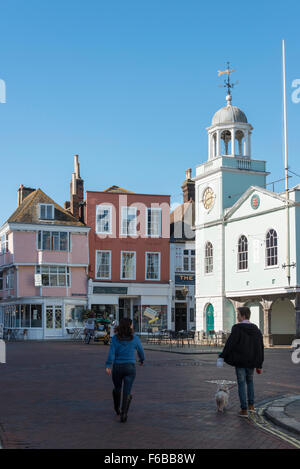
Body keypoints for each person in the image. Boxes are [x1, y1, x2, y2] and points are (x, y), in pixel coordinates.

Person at [219, 306, 264, 418]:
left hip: (240, 361)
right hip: (251, 362)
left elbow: (230, 344)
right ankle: (251, 406)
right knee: (250, 382)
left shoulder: (237, 328)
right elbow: (260, 347)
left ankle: (244, 410)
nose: (237, 316)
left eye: (238, 314)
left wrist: (222, 356)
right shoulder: (256, 330)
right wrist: (259, 363)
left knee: (241, 384)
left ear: (243, 316)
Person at [105, 317, 145, 423]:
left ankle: (117, 407)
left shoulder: (115, 339)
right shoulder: (135, 338)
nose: (132, 326)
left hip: (117, 367)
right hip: (130, 367)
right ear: (129, 326)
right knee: (127, 391)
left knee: (117, 388)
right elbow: (141, 351)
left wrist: (108, 365)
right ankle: (124, 413)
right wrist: (142, 360)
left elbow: (111, 353)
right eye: (131, 324)